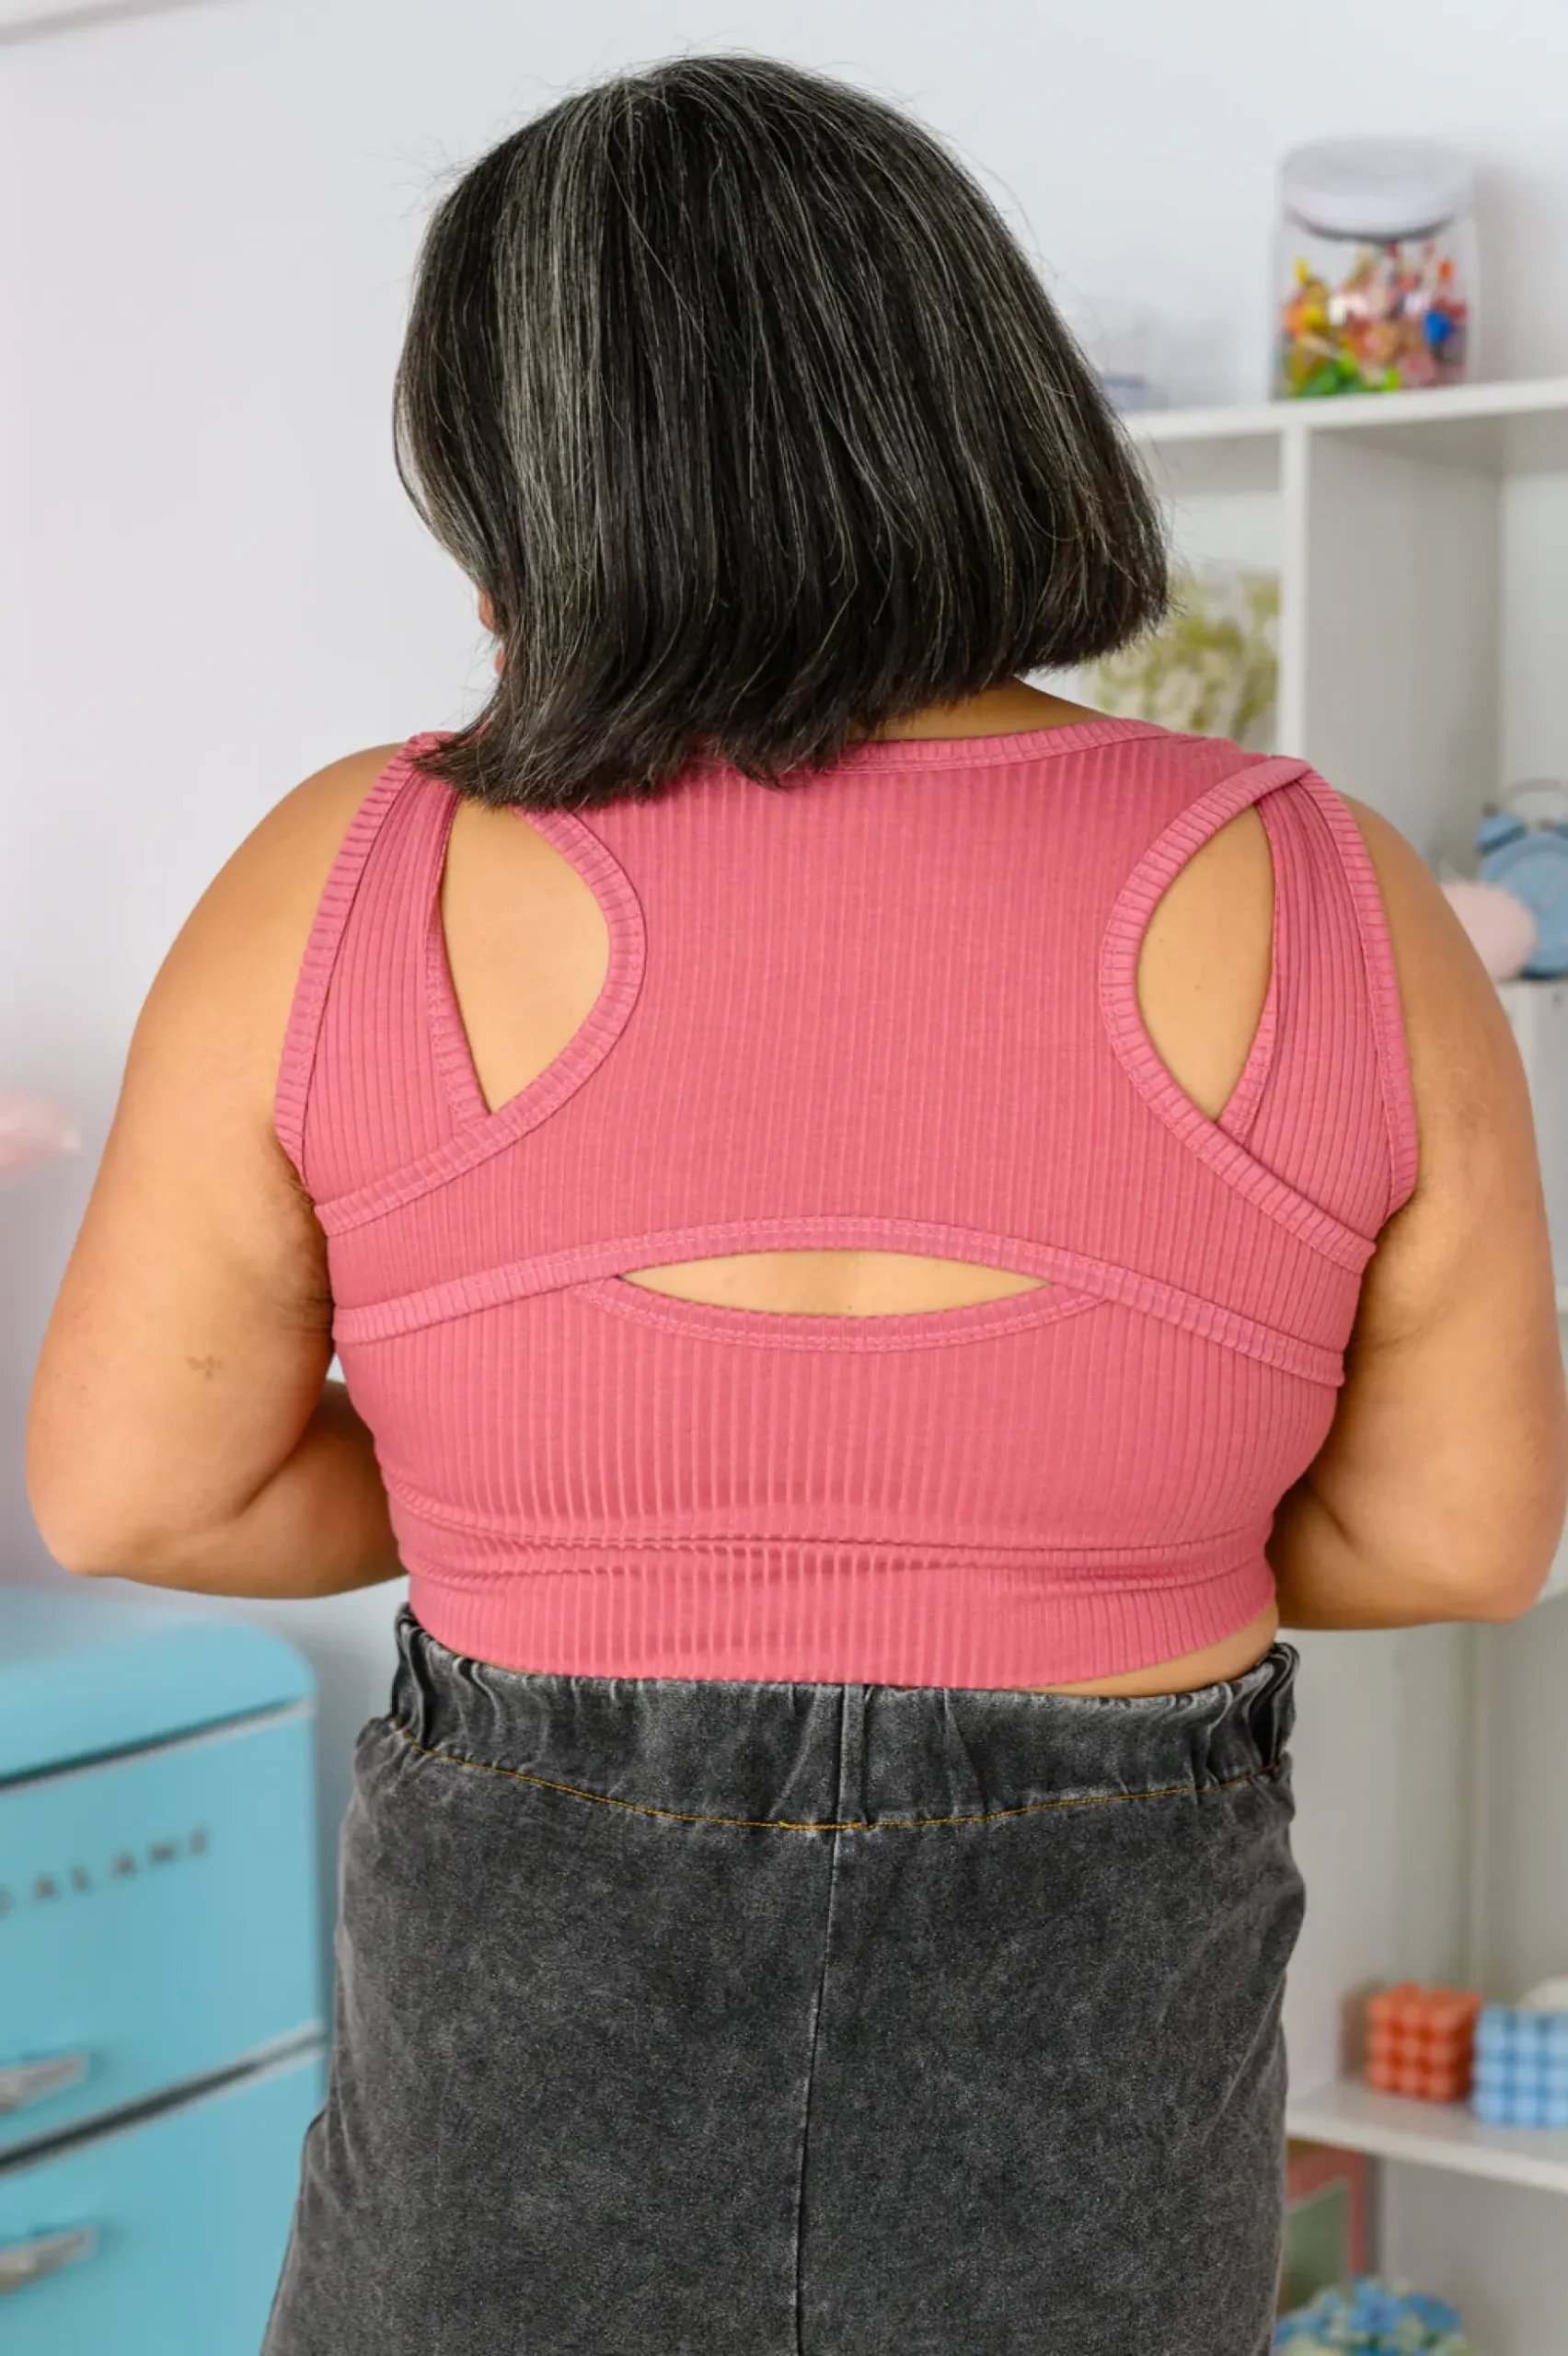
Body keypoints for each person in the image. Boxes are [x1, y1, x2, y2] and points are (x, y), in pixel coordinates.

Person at [26, 54, 1566, 2356]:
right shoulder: (1334, 888)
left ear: (525, 477)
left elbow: (141, 1486)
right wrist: (1090, 1524)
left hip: (513, 2134)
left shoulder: (348, 872)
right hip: (1088, 2148)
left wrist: (562, 1493)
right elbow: (1460, 1532)